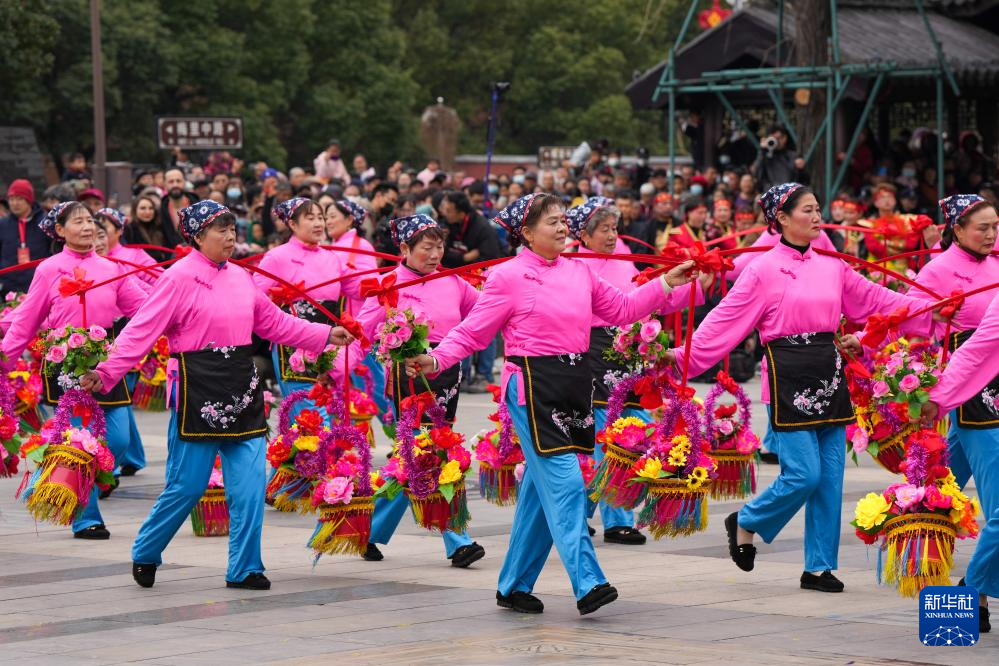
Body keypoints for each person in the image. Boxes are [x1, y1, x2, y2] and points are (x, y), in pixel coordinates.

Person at [407, 193, 697, 615]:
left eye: (563, 220)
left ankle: (514, 584)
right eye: (552, 222)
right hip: (531, 387)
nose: (563, 228)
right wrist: (436, 360)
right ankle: (588, 581)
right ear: (526, 233)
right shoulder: (507, 277)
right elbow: (473, 333)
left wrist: (668, 281)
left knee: (539, 490)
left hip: (574, 384)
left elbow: (623, 309)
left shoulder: (579, 271)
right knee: (567, 483)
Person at [666, 183, 940, 592]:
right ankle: (746, 520)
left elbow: (877, 299)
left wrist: (933, 308)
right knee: (803, 475)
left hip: (829, 372)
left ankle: (819, 566)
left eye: (817, 209)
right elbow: (725, 319)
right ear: (781, 218)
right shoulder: (762, 269)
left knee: (829, 478)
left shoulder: (832, 265)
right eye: (807, 210)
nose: (817, 217)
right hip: (786, 376)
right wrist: (677, 357)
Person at [79, 200, 354, 590]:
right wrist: (106, 372)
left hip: (242, 386)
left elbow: (275, 323)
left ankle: (245, 567)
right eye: (220, 230)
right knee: (188, 486)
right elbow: (141, 331)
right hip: (197, 389)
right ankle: (147, 548)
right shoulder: (177, 278)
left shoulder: (241, 276)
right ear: (197, 236)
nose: (230, 237)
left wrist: (325, 334)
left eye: (232, 230)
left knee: (250, 486)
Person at [2, 202, 149, 539]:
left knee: (119, 439)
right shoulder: (49, 269)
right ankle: (86, 518)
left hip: (105, 364)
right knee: (78, 442)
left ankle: (73, 480)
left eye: (90, 221)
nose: (87, 227)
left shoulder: (111, 268)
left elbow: (145, 308)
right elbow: (27, 320)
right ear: (59, 230)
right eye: (78, 221)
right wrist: (4, 359)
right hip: (65, 362)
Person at [566, 198, 706, 546]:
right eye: (604, 230)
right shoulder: (573, 264)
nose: (612, 235)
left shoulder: (624, 256)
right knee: (607, 437)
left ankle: (596, 514)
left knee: (631, 433)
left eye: (614, 228)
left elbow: (651, 297)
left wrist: (693, 283)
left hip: (630, 352)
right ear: (584, 235)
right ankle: (609, 518)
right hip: (594, 354)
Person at [355, 214, 485, 567]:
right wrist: (335, 361)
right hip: (410, 377)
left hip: (448, 371)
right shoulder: (388, 285)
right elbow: (361, 332)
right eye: (427, 248)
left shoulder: (452, 281)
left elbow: (485, 311)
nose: (435, 254)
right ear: (404, 248)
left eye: (439, 247)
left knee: (413, 459)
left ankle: (364, 527)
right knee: (430, 452)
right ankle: (457, 540)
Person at [914, 195, 998, 635]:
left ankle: (965, 595)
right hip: (969, 389)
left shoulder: (997, 264)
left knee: (936, 487)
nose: (991, 235)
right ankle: (970, 591)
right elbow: (907, 316)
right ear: (958, 229)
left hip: (989, 382)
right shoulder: (938, 269)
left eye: (996, 226)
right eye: (982, 227)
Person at [254, 198, 361, 419]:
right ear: (293, 224)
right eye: (310, 218)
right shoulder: (277, 257)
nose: (319, 223)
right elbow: (253, 297)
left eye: (321, 217)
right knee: (311, 416)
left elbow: (360, 288)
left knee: (323, 414)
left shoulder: (331, 258)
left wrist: (398, 278)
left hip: (329, 343)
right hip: (293, 345)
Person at [95, 207, 160, 477]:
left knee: (120, 398)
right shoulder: (91, 263)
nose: (97, 236)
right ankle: (129, 456)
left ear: (119, 230)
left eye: (103, 230)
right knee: (118, 401)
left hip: (129, 329)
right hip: (97, 337)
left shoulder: (132, 257)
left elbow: (159, 283)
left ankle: (124, 457)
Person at [325, 199, 395, 426]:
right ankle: (345, 435)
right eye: (325, 217)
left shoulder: (360, 246)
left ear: (349, 220)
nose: (327, 222)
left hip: (361, 327)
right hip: (339, 327)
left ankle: (396, 428)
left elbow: (369, 288)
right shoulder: (335, 246)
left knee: (371, 383)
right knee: (344, 386)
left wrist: (341, 276)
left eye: (332, 216)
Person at [0, 179, 51, 293]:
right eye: (11, 199)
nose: (15, 203)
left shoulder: (45, 223)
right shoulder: (2, 224)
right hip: (9, 289)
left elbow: (54, 252)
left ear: (29, 200)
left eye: (19, 199)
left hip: (40, 285)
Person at [752, 126, 808, 193]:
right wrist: (762, 151)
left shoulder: (793, 156)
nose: (776, 141)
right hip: (770, 194)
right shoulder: (764, 156)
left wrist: (801, 170)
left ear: (784, 138)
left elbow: (804, 181)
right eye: (773, 138)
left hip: (789, 194)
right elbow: (755, 173)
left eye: (778, 138)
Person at [160, 168, 193, 248]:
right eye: (171, 181)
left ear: (184, 182)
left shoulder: (200, 208)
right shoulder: (159, 211)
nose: (175, 185)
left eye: (178, 181)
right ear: (164, 185)